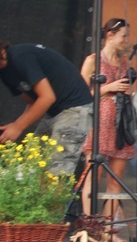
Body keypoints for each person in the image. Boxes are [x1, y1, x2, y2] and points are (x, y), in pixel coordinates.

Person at [0, 39, 93, 176]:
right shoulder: (5, 72)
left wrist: (18, 127)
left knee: (56, 173)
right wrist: (15, 126)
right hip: (55, 112)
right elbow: (33, 101)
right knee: (33, 166)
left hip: (75, 109)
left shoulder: (20, 56)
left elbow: (47, 97)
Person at [79, 18, 137, 238]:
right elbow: (81, 95)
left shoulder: (124, 63)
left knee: (116, 179)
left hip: (120, 124)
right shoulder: (93, 61)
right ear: (110, 35)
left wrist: (126, 91)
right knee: (94, 175)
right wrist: (108, 88)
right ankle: (89, 226)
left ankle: (107, 228)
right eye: (123, 36)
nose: (126, 41)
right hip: (99, 123)